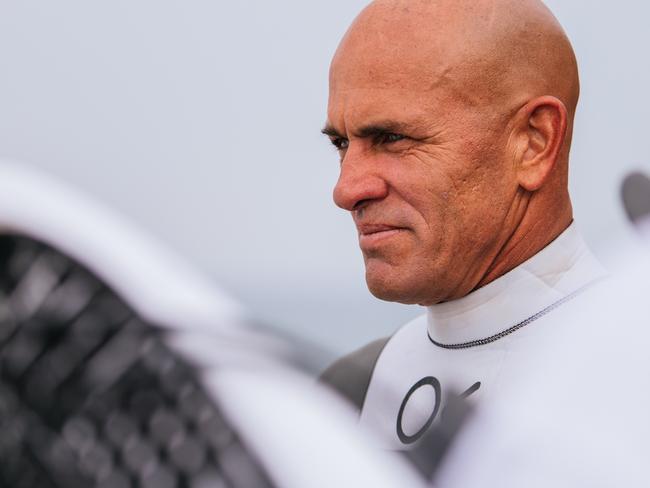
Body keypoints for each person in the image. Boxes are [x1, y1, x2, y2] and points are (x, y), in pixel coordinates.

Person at [320, 0, 606, 449]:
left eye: (392, 138)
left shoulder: (631, 374)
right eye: (342, 142)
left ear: (535, 142)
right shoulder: (349, 391)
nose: (346, 189)